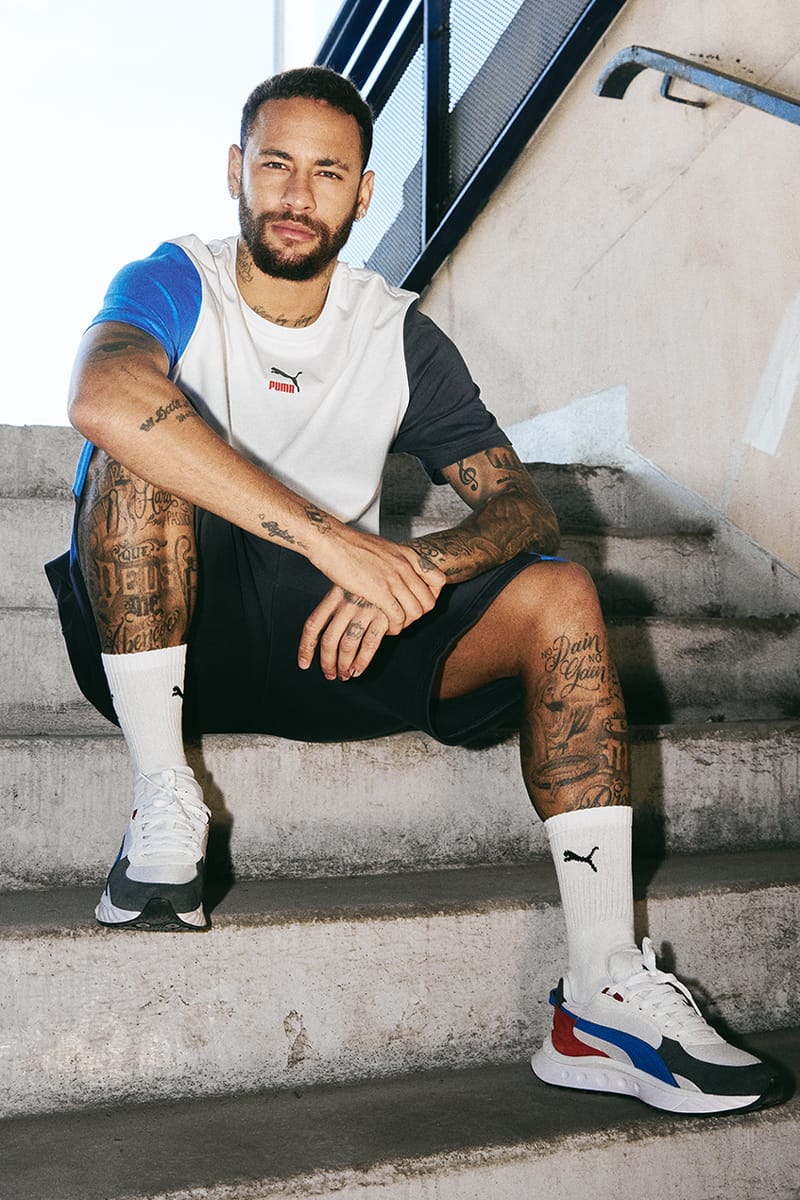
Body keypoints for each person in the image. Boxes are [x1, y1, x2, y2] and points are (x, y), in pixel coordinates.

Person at [47, 66, 779, 1116]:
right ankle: (164, 805)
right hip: (171, 632)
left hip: (337, 644)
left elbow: (522, 510)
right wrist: (336, 543)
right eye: (276, 165)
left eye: (327, 173)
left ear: (362, 194)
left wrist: (422, 566)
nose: (297, 195)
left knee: (561, 593)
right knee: (135, 446)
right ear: (235, 170)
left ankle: (601, 994)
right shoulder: (175, 280)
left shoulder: (394, 333)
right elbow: (102, 393)